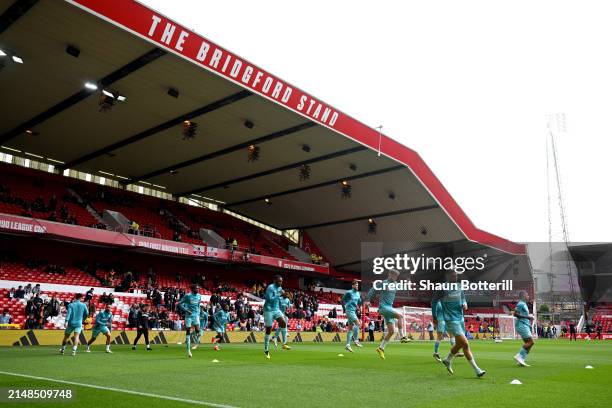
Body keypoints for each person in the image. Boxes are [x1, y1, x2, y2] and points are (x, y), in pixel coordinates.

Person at [437, 271, 485, 377]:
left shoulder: (459, 287)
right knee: (465, 344)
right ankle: (477, 370)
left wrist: (464, 304)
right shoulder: (442, 288)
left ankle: (448, 359)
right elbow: (435, 302)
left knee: (459, 344)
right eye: (453, 276)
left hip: (460, 319)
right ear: (448, 276)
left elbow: (464, 300)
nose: (455, 277)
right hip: (451, 320)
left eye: (456, 276)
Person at [364, 269, 410, 360]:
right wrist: (368, 299)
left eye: (396, 276)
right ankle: (402, 337)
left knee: (391, 331)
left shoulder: (396, 284)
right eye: (393, 275)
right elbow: (373, 289)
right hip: (383, 307)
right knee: (400, 316)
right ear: (389, 274)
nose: (395, 277)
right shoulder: (384, 283)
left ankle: (380, 348)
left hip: (390, 307)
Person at [263, 275, 290, 359]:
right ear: (274, 280)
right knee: (268, 329)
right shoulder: (270, 288)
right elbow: (268, 299)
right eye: (279, 281)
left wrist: (285, 295)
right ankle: (266, 350)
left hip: (276, 309)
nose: (280, 283)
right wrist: (279, 295)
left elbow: (283, 294)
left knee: (283, 322)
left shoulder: (279, 288)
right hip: (268, 310)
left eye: (281, 281)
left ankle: (284, 344)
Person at [431, 288, 460, 362]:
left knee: (452, 335)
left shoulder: (443, 301)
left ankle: (455, 352)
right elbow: (435, 313)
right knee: (439, 337)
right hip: (440, 321)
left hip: (447, 321)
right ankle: (436, 352)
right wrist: (435, 323)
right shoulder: (436, 302)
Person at [178, 284, 202, 358]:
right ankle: (188, 350)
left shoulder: (199, 296)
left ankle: (196, 343)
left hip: (196, 315)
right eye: (196, 289)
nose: (197, 290)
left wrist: (198, 312)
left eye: (198, 288)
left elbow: (198, 305)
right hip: (188, 316)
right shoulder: (187, 296)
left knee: (198, 331)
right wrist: (186, 310)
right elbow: (179, 304)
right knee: (188, 331)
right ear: (192, 289)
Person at [513, 291, 534, 367]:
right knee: (531, 342)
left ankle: (521, 360)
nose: (528, 296)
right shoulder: (521, 303)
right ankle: (519, 356)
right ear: (523, 296)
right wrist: (528, 317)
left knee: (529, 344)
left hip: (525, 324)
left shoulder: (524, 304)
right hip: (521, 325)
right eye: (527, 295)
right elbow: (515, 314)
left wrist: (528, 318)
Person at [341, 279, 363, 352]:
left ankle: (347, 345)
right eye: (356, 285)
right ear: (352, 286)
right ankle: (356, 340)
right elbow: (342, 300)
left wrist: (360, 306)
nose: (357, 286)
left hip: (353, 311)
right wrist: (344, 308)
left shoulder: (358, 293)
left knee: (350, 329)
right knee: (358, 323)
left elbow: (359, 301)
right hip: (349, 311)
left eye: (358, 285)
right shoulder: (349, 293)